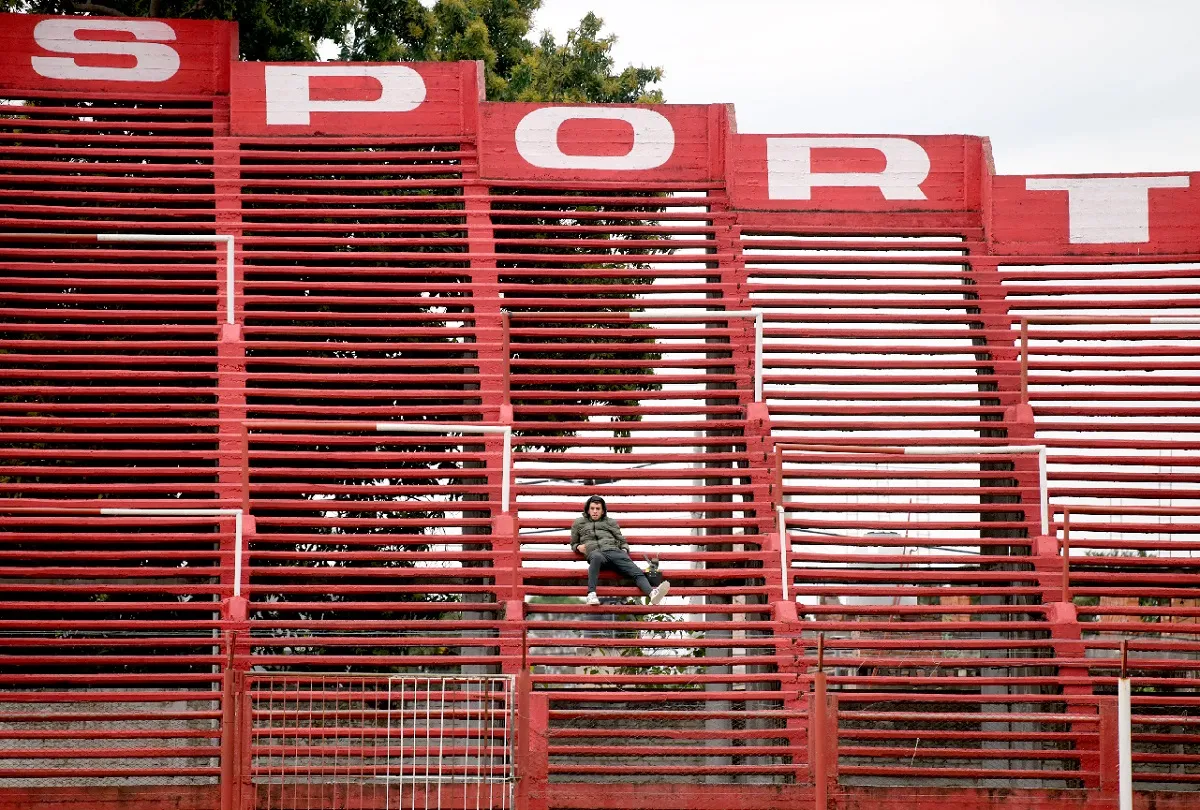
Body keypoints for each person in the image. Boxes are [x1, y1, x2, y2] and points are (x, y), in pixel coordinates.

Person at [571, 495, 670, 606]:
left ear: (603, 511)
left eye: (598, 509)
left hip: (614, 552)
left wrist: (624, 550)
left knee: (637, 572)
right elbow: (573, 543)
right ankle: (591, 594)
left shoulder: (611, 522)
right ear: (588, 510)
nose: (595, 511)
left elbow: (622, 541)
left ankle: (652, 593)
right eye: (592, 508)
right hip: (596, 554)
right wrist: (578, 547)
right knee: (596, 556)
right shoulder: (578, 523)